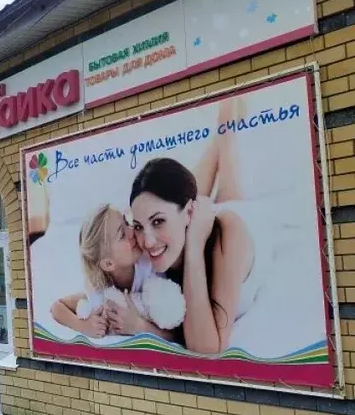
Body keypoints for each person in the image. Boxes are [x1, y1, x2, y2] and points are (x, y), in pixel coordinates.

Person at [128, 121, 269, 354]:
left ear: (190, 214)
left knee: (229, 184)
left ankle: (225, 129)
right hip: (194, 219)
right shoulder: (146, 243)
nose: (148, 242)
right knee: (182, 194)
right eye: (138, 226)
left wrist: (194, 245)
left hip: (243, 222)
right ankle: (219, 138)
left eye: (157, 222)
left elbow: (207, 347)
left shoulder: (229, 231)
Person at [50, 203, 172, 341]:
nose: (131, 231)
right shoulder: (99, 289)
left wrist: (139, 326)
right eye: (122, 234)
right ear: (108, 264)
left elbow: (177, 337)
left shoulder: (151, 268)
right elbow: (57, 307)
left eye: (127, 222)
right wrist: (83, 326)